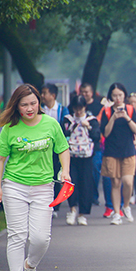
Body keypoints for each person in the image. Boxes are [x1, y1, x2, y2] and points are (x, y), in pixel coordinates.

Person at [0, 84, 70, 271]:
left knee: (41, 238)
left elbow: (63, 149)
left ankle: (30, 265)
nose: (29, 108)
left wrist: (65, 171)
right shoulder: (10, 128)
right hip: (14, 185)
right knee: (17, 235)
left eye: (33, 103)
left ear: (39, 103)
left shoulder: (50, 124)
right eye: (24, 105)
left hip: (43, 187)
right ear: (16, 106)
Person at [100, 82, 136, 225]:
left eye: (120, 95)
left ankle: (126, 206)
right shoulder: (106, 111)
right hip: (111, 151)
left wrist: (126, 117)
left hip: (128, 150)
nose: (117, 98)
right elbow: (105, 133)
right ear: (110, 96)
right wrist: (113, 117)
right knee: (115, 183)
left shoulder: (130, 109)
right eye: (114, 95)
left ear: (124, 95)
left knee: (128, 182)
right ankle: (117, 213)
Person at [62, 95, 100, 225]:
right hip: (71, 156)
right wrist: (72, 127)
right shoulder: (68, 120)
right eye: (76, 108)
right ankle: (72, 209)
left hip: (86, 156)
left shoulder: (91, 120)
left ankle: (82, 213)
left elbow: (97, 136)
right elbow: (62, 134)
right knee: (71, 182)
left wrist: (88, 127)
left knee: (86, 184)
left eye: (81, 108)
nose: (78, 111)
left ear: (85, 107)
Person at [40, 83, 70, 217]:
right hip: (43, 147)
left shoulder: (62, 110)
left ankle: (55, 206)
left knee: (56, 176)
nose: (42, 96)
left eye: (45, 93)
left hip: (56, 147)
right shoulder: (40, 110)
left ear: (53, 95)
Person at [79, 83, 106, 208]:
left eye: (87, 92)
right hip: (78, 146)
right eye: (82, 92)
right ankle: (82, 196)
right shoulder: (75, 105)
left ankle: (94, 196)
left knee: (95, 170)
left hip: (95, 144)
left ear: (92, 93)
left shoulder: (99, 107)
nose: (84, 94)